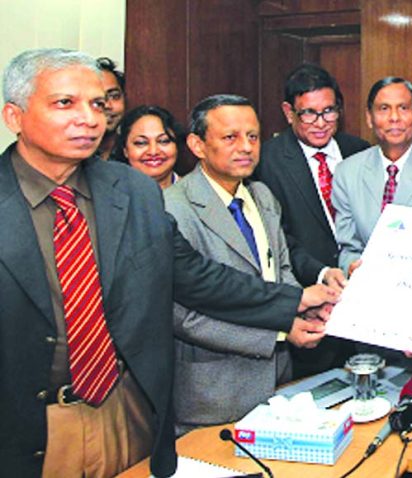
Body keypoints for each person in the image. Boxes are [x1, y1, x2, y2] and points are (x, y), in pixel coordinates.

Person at [0, 48, 333, 477]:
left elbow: (195, 277)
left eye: (98, 104)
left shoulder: (133, 191)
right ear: (15, 116)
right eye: (65, 103)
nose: (88, 118)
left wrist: (295, 300)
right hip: (32, 427)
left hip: (128, 410)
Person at [166, 94, 330, 434]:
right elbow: (183, 315)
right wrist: (281, 332)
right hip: (214, 396)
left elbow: (282, 271)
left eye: (253, 137)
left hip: (280, 385)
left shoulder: (262, 196)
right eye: (230, 137)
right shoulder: (173, 209)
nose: (245, 147)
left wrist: (305, 311)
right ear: (197, 144)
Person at [254, 63, 368, 377]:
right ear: (288, 112)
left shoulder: (359, 151)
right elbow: (277, 239)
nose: (320, 123)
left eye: (329, 111)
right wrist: (320, 273)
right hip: (310, 313)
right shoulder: (266, 162)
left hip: (364, 309)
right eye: (308, 113)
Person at [332, 77, 412, 274]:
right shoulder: (347, 172)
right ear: (369, 118)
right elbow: (349, 247)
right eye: (384, 108)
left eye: (403, 108)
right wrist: (352, 266)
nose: (394, 117)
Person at [111, 105, 183, 189]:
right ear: (125, 150)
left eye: (163, 141)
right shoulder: (108, 196)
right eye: (141, 143)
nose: (153, 151)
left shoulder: (196, 193)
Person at [95, 57, 125, 160]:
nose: (107, 105)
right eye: (97, 98)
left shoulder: (134, 152)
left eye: (114, 96)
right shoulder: (66, 154)